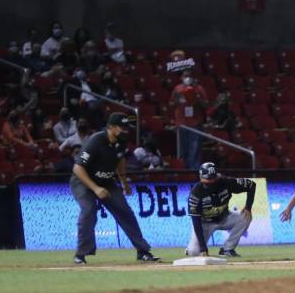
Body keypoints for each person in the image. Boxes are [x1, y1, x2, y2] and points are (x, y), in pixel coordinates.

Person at [70, 112, 160, 265]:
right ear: (110, 127)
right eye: (122, 127)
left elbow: (120, 160)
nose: (125, 130)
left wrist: (124, 182)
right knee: (88, 210)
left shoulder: (122, 140)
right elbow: (77, 168)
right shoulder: (96, 141)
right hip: (83, 181)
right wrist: (96, 188)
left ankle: (143, 251)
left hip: (107, 181)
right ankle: (81, 254)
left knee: (125, 211)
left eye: (126, 127)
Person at [186, 162, 256, 257]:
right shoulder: (196, 192)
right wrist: (203, 248)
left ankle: (227, 249)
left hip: (225, 218)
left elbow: (251, 185)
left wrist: (248, 207)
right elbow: (196, 221)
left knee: (245, 217)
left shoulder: (226, 182)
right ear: (200, 177)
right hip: (204, 224)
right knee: (193, 252)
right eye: (206, 180)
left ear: (216, 177)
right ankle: (191, 248)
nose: (209, 182)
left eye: (211, 179)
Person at [169, 70, 208, 170]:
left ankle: (194, 173)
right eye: (185, 76)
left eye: (190, 76)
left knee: (195, 151)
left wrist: (197, 99)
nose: (188, 78)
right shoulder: (177, 89)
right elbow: (171, 105)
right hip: (182, 124)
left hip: (195, 124)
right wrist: (177, 100)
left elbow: (206, 105)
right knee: (183, 151)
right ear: (181, 77)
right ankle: (184, 173)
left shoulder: (199, 89)